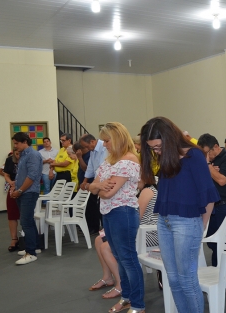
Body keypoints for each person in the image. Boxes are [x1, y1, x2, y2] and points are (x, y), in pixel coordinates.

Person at [140, 117, 219, 313]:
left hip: (187, 223)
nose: (156, 151)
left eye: (158, 147)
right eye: (153, 149)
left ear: (168, 138)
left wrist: (200, 227)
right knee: (173, 278)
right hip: (164, 221)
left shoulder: (194, 156)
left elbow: (209, 196)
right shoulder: (168, 157)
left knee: (186, 279)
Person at [88, 122, 145, 313]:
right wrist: (98, 186)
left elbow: (107, 193)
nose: (104, 145)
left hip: (123, 213)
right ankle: (126, 297)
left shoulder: (128, 161)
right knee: (120, 258)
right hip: (109, 212)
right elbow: (93, 186)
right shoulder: (110, 160)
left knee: (128, 259)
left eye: (106, 141)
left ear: (118, 139)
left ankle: (138, 304)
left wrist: (99, 187)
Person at [90, 181, 159, 300]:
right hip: (138, 231)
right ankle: (107, 277)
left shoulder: (147, 191)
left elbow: (137, 217)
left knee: (105, 247)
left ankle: (121, 284)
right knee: (98, 240)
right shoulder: (140, 190)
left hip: (149, 234)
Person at [197, 133, 226, 268]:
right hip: (210, 206)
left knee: (224, 242)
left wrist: (208, 166)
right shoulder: (207, 160)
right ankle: (217, 271)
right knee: (212, 242)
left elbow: (221, 180)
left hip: (224, 205)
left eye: (207, 153)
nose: (206, 156)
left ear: (215, 147)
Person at [11, 132, 44, 265]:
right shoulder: (24, 154)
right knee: (28, 220)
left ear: (25, 141)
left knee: (26, 222)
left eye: (17, 143)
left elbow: (32, 176)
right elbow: (21, 174)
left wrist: (20, 190)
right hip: (23, 192)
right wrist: (15, 187)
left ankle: (31, 253)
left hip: (28, 192)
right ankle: (35, 246)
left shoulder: (33, 155)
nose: (15, 146)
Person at [79, 134, 108, 235]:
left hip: (104, 182)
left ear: (92, 142)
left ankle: (106, 230)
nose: (86, 149)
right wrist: (85, 181)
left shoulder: (104, 148)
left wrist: (94, 184)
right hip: (98, 181)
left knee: (103, 208)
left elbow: (102, 168)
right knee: (100, 207)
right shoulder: (92, 151)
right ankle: (103, 230)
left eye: (86, 146)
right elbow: (91, 167)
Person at [3, 150, 20, 252]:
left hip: (26, 187)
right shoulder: (10, 160)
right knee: (12, 214)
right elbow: (6, 174)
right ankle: (14, 239)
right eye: (16, 153)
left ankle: (28, 237)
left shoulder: (29, 159)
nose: (18, 155)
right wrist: (11, 183)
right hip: (13, 188)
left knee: (27, 214)